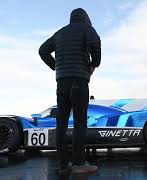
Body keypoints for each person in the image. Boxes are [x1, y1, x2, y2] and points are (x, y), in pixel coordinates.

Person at [38, 8, 101, 174]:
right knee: (80, 122)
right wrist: (95, 62)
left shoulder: (60, 33)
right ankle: (79, 163)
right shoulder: (87, 29)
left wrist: (55, 66)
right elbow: (95, 43)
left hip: (62, 83)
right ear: (85, 18)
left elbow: (42, 50)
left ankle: (63, 165)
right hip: (79, 81)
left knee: (61, 124)